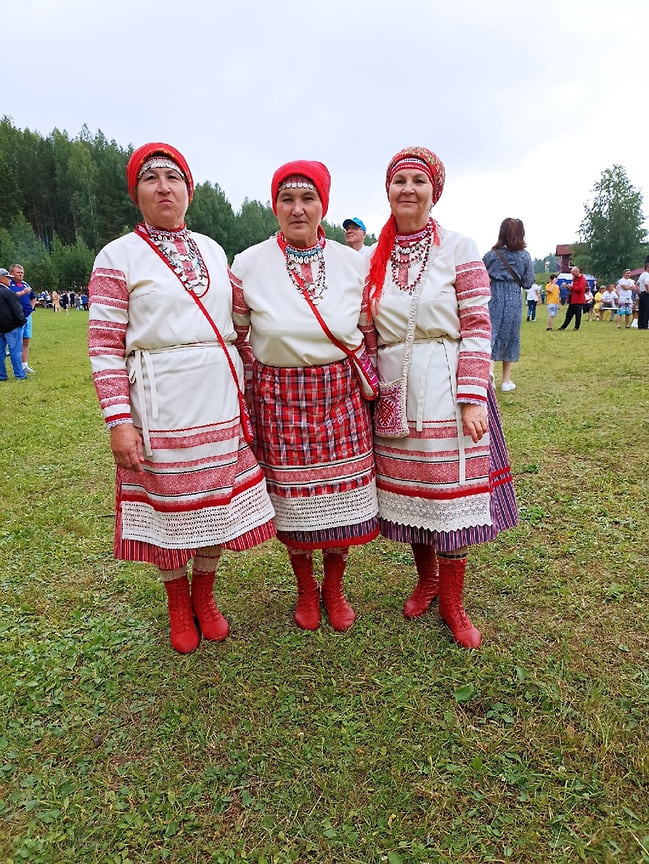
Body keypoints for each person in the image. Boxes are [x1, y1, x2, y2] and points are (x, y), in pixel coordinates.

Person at [87, 142, 275, 654]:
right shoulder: (116, 256)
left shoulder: (213, 250)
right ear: (137, 194)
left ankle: (205, 595)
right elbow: (104, 344)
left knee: (216, 502)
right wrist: (118, 421)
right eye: (152, 179)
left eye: (174, 177)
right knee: (169, 507)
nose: (164, 186)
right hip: (157, 402)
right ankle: (177, 602)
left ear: (188, 191)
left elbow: (242, 321)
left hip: (217, 396)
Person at [366, 146, 518, 649]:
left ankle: (453, 601)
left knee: (448, 493)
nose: (407, 189)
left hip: (448, 385)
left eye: (418, 181)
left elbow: (478, 324)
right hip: (395, 385)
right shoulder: (374, 256)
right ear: (387, 191)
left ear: (435, 190)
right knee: (412, 492)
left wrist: (474, 395)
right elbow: (364, 329)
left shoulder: (460, 247)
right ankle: (426, 579)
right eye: (398, 181)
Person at [231, 160, 379, 632]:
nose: (297, 209)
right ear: (274, 206)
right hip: (278, 394)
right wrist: (257, 393)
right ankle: (303, 590)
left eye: (307, 198)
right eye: (287, 199)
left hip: (339, 392)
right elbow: (238, 337)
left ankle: (333, 589)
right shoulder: (248, 263)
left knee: (343, 497)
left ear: (323, 206)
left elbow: (368, 331)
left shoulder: (350, 261)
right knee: (293, 502)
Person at [483, 218, 534, 392]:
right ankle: (506, 380)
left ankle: (488, 373)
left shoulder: (491, 255)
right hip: (513, 297)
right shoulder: (524, 256)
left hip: (493, 296)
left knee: (491, 334)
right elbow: (528, 282)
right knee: (511, 336)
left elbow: (481, 276)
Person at [9, 264, 36, 373]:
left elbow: (33, 298)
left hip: (27, 317)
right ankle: (17, 367)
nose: (21, 274)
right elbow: (9, 298)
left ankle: (24, 365)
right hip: (15, 318)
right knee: (16, 342)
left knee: (26, 340)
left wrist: (31, 309)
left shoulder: (25, 284)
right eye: (18, 272)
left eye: (22, 273)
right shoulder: (9, 285)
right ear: (11, 273)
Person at [0, 268, 27, 381]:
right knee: (15, 351)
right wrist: (21, 321)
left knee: (0, 353)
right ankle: (19, 375)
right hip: (12, 326)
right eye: (7, 278)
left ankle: (1, 375)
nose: (9, 280)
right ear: (1, 278)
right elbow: (17, 310)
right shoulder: (8, 292)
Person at [558, 266, 587, 331]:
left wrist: (572, 287)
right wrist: (568, 287)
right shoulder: (574, 279)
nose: (572, 275)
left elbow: (580, 289)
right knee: (568, 314)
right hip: (572, 300)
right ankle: (563, 326)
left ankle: (576, 327)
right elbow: (574, 288)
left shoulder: (582, 279)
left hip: (578, 300)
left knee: (578, 315)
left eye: (573, 273)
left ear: (577, 272)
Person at [637, 260, 649, 329]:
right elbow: (646, 283)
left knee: (641, 310)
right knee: (646, 310)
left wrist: (639, 292)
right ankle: (645, 325)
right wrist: (648, 290)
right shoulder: (647, 275)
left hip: (641, 293)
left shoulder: (642, 274)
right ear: (647, 268)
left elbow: (637, 284)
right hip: (646, 293)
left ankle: (640, 325)